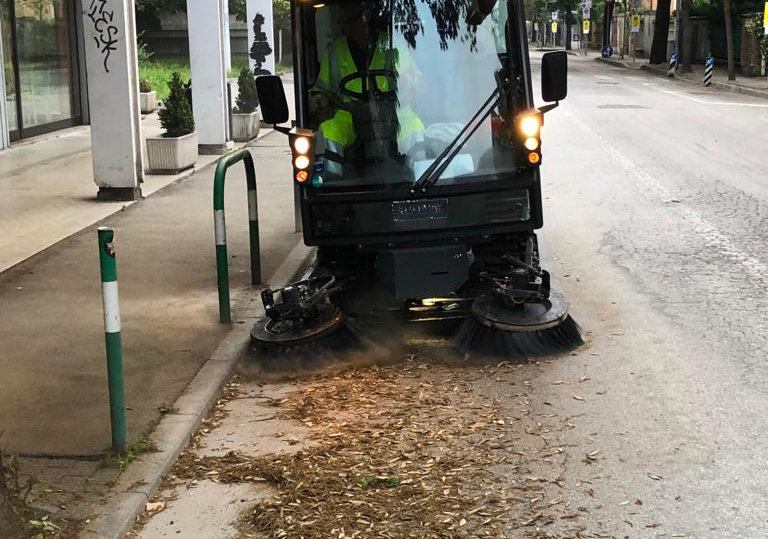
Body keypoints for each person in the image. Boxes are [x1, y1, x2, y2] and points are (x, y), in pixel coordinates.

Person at [310, 2, 424, 179]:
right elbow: (321, 90)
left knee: (414, 127)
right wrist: (320, 98)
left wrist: (410, 85)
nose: (345, 27)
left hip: (393, 111)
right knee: (327, 132)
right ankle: (331, 186)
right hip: (349, 115)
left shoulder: (394, 44)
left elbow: (413, 82)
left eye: (350, 20)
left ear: (367, 16)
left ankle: (422, 179)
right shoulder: (334, 51)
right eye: (343, 22)